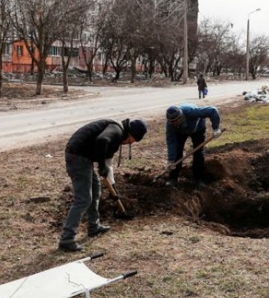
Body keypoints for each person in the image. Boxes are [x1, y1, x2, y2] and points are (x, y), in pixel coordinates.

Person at [59, 117, 148, 252]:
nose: (130, 143)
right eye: (132, 141)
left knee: (95, 189)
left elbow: (108, 165)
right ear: (131, 135)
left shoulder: (116, 138)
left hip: (84, 158)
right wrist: (101, 165)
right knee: (83, 199)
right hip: (77, 156)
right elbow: (102, 140)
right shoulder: (116, 130)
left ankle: (94, 226)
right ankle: (67, 239)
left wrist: (114, 189)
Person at [165, 103, 222, 189]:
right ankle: (173, 178)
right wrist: (170, 160)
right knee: (177, 152)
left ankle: (199, 178)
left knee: (198, 153)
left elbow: (213, 110)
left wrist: (216, 128)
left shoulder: (191, 111)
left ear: (180, 117)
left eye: (174, 121)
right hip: (180, 132)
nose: (173, 124)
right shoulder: (171, 125)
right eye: (171, 122)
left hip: (197, 129)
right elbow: (171, 142)